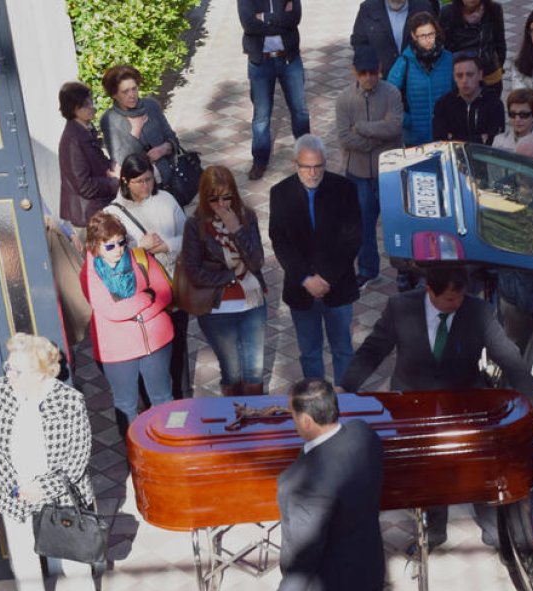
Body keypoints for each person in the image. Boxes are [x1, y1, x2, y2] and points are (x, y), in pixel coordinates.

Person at [340, 267, 533, 549]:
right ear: (429, 291)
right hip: (414, 403)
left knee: (476, 463)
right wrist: (345, 387)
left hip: (465, 402)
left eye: (460, 297)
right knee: (426, 470)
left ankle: (490, 527)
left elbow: (509, 357)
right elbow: (373, 350)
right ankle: (434, 530)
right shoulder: (400, 308)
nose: (456, 304)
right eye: (449, 299)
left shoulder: (478, 312)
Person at [268, 379, 447, 591]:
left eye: (292, 414)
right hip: (367, 571)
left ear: (307, 420)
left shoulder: (299, 484)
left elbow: (305, 552)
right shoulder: (364, 435)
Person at [0, 333, 103, 591]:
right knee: (23, 559)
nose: (8, 374)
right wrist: (16, 488)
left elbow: (77, 457)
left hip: (59, 493)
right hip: (15, 493)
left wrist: (42, 488)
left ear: (40, 372)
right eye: (8, 367)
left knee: (73, 554)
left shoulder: (69, 400)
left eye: (16, 370)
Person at [270, 135, 363, 382]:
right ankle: (316, 404)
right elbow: (280, 242)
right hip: (301, 291)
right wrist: (305, 279)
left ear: (325, 163)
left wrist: (326, 278)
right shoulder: (280, 193)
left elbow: (352, 238)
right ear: (295, 164)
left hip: (338, 286)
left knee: (343, 350)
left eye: (318, 166)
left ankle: (346, 403)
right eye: (306, 167)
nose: (312, 173)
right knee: (310, 354)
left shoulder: (344, 189)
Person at [105, 153, 191, 399]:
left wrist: (167, 246)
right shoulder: (113, 214)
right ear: (125, 182)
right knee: (151, 355)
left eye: (149, 180)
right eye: (139, 181)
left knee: (179, 351)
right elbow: (108, 260)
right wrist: (138, 247)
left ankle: (183, 399)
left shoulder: (166, 199)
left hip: (173, 287)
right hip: (143, 298)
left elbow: (189, 237)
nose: (146, 186)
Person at [180, 166, 269, 396]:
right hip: (217, 309)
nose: (221, 204)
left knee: (255, 372)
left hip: (252, 305)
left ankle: (256, 421)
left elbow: (257, 261)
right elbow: (194, 271)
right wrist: (233, 275)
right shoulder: (195, 225)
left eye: (226, 197)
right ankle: (235, 420)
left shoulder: (246, 216)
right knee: (232, 372)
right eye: (214, 199)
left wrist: (236, 230)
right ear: (204, 197)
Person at [80, 211, 174, 426]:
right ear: (96, 246)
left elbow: (164, 293)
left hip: (155, 343)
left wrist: (138, 314)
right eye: (110, 246)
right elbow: (110, 311)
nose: (118, 250)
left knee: (163, 400)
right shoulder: (89, 272)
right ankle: (136, 456)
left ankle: (169, 452)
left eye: (121, 242)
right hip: (118, 351)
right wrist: (145, 298)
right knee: (126, 406)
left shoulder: (139, 257)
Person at [337, 46, 404, 286]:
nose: (367, 78)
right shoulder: (344, 99)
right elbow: (345, 137)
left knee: (397, 223)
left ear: (379, 70)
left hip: (390, 173)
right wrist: (378, 137)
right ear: (354, 72)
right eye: (362, 73)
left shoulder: (392, 93)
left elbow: (395, 127)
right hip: (359, 174)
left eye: (371, 72)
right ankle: (367, 269)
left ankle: (405, 271)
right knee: (363, 225)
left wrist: (363, 129)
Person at [239, 0, 312, 181]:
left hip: (289, 59)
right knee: (261, 116)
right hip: (260, 62)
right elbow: (248, 25)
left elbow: (295, 18)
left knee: (300, 110)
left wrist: (263, 18)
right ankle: (260, 160)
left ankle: (307, 153)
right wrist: (280, 21)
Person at [99, 65, 181, 190]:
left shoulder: (151, 106)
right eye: (125, 92)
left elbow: (172, 138)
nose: (132, 95)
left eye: (134, 89)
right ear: (114, 95)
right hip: (143, 188)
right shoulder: (110, 119)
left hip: (170, 178)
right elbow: (121, 163)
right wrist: (135, 132)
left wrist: (164, 149)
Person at [57, 81, 117, 232]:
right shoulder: (73, 139)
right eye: (85, 105)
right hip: (87, 217)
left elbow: (96, 163)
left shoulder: (84, 130)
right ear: (72, 108)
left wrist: (112, 166)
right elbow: (84, 186)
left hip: (94, 211)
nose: (92, 107)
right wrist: (113, 183)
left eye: (90, 101)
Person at [388, 12, 455, 146]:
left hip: (445, 134)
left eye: (431, 34)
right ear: (414, 36)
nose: (428, 39)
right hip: (414, 138)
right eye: (423, 36)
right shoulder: (404, 62)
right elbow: (388, 95)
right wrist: (406, 120)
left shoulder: (449, 59)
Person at [432, 51, 506, 144]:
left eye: (470, 75)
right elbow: (440, 141)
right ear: (454, 77)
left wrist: (453, 138)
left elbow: (495, 141)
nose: (464, 80)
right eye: (459, 75)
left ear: (480, 75)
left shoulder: (494, 104)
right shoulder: (443, 105)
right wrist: (480, 139)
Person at [350, 0, 436, 78]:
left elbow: (436, 41)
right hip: (381, 82)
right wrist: (370, 72)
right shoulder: (368, 9)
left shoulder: (424, 7)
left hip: (417, 80)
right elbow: (359, 43)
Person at [439, 0, 507, 98]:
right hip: (460, 78)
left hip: (489, 77)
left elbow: (500, 43)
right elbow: (444, 47)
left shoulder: (494, 10)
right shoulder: (448, 12)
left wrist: (497, 65)